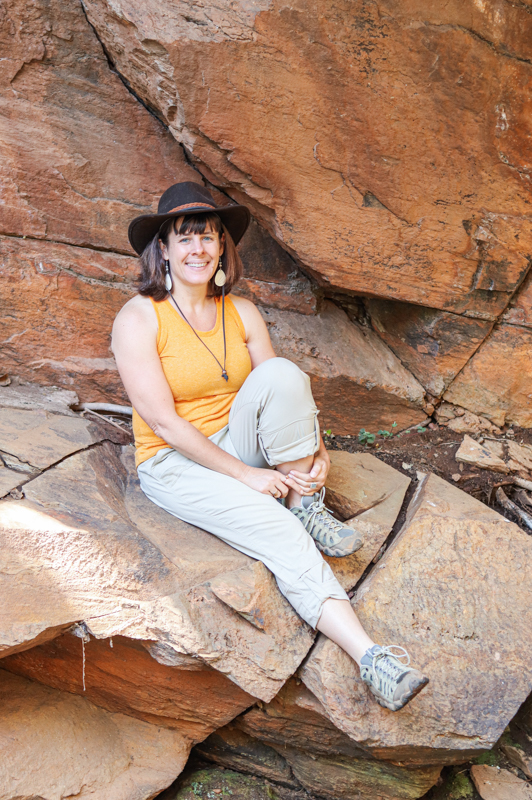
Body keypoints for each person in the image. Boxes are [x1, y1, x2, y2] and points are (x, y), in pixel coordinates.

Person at [112, 182, 429, 712]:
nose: (198, 250)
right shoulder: (139, 317)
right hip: (175, 462)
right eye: (184, 239)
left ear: (221, 249)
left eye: (208, 238)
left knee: (282, 370)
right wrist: (246, 475)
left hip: (238, 438)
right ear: (162, 249)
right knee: (276, 529)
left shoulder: (240, 311)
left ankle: (306, 503)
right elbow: (164, 423)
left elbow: (286, 390)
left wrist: (317, 453)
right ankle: (372, 658)